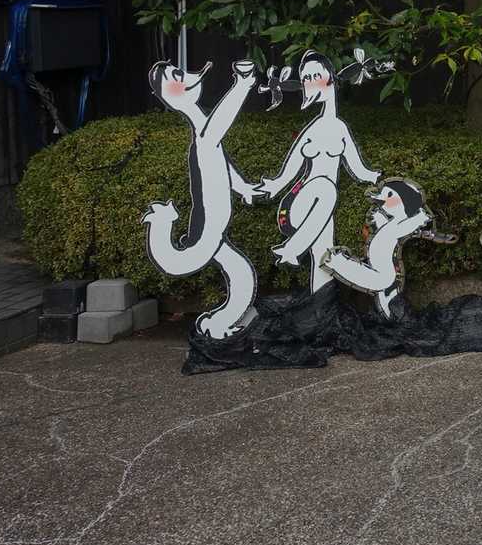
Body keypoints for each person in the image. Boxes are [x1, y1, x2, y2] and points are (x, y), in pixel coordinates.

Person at [142, 58, 262, 339]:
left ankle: (221, 325)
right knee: (240, 274)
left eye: (180, 73)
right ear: (168, 96)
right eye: (174, 79)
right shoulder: (204, 135)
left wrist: (243, 187)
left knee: (242, 275)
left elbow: (221, 161)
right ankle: (219, 326)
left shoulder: (205, 133)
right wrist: (242, 84)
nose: (184, 78)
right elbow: (215, 133)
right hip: (207, 231)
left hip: (213, 230)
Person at [256, 51, 381, 292]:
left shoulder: (340, 128)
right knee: (325, 186)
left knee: (323, 254)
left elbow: (358, 169)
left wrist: (375, 177)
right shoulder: (311, 131)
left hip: (322, 210)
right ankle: (292, 249)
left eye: (315, 76)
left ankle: (321, 301)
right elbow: (288, 171)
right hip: (296, 206)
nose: (310, 82)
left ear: (331, 78)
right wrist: (271, 186)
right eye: (306, 78)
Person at [322, 179, 453, 317]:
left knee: (383, 285)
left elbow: (415, 230)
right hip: (379, 266)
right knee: (385, 292)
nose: (384, 200)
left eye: (389, 195)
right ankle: (337, 262)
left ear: (406, 200)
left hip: (387, 271)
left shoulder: (407, 223)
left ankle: (337, 262)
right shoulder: (390, 221)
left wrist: (426, 226)